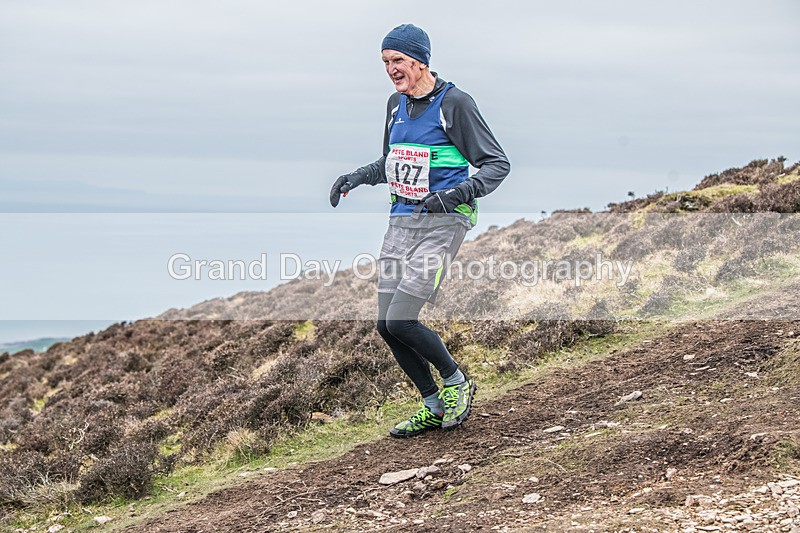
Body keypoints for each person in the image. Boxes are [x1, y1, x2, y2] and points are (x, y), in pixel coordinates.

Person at [329, 23, 510, 437]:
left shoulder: (454, 104)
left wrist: (452, 196)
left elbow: (497, 164)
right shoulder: (395, 104)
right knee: (385, 324)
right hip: (401, 220)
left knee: (404, 319)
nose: (391, 69)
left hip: (444, 223)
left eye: (398, 61)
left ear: (421, 61)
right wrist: (356, 176)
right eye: (385, 62)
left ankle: (457, 384)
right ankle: (431, 403)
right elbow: (390, 162)